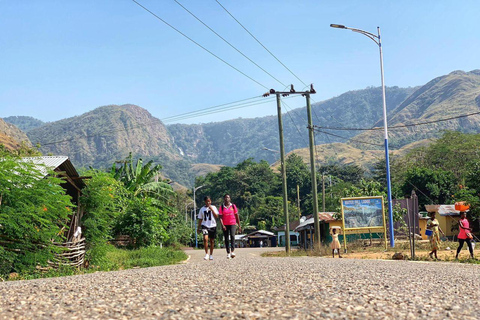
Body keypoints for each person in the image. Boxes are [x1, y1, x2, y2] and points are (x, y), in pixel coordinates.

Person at [219, 194, 241, 259]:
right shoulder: (222, 207)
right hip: (225, 224)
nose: (227, 199)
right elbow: (220, 217)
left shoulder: (233, 206)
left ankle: (232, 251)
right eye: (225, 197)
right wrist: (222, 225)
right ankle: (228, 253)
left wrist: (239, 225)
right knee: (226, 238)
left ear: (230, 199)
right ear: (224, 199)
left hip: (232, 223)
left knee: (232, 236)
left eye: (228, 197)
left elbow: (237, 216)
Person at [197, 196, 219, 261]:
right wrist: (198, 228)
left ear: (211, 201)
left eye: (209, 201)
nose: (208, 202)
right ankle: (206, 253)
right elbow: (200, 219)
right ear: (205, 202)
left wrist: (211, 209)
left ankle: (211, 254)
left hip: (212, 226)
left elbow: (216, 216)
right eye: (207, 201)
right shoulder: (202, 209)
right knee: (205, 239)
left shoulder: (214, 207)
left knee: (212, 241)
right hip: (205, 225)